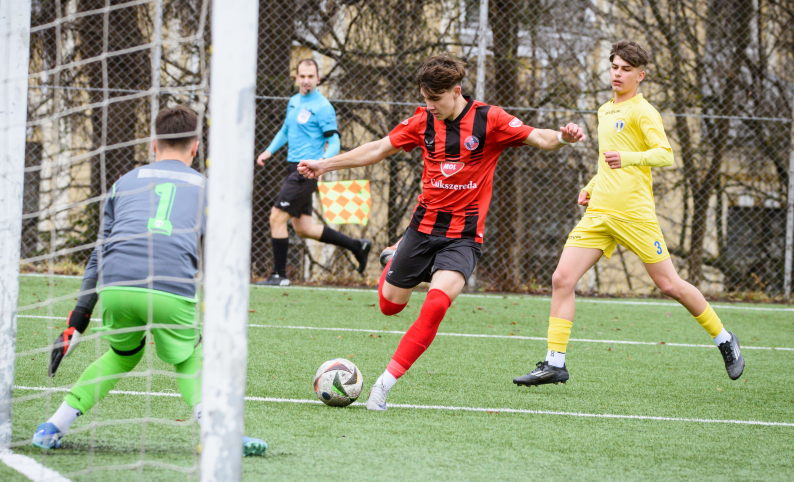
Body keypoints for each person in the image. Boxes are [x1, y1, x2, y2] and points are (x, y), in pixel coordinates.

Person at [298, 53, 585, 410]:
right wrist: (324, 164)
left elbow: (538, 137)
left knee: (435, 304)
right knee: (390, 307)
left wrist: (564, 137)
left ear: (456, 91)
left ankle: (383, 386)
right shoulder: (422, 121)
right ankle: (396, 256)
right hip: (421, 230)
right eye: (425, 98)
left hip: (463, 237)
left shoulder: (488, 119)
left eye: (435, 99)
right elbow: (378, 149)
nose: (429, 106)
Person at [32, 105, 267, 457]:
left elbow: (100, 252)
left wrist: (79, 317)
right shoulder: (207, 188)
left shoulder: (124, 182)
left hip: (115, 288)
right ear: (196, 148)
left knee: (123, 355)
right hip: (171, 289)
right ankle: (217, 432)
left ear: (154, 145)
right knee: (189, 357)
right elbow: (221, 256)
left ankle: (53, 425)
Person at [513, 40, 745, 387]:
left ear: (641, 75)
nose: (617, 74)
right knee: (562, 279)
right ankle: (554, 363)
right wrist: (591, 185)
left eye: (625, 69)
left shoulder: (643, 110)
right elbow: (609, 158)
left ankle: (725, 340)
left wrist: (630, 160)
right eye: (614, 67)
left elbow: (665, 154)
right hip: (600, 212)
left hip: (634, 214)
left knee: (669, 284)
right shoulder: (605, 110)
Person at [255, 58, 371, 286]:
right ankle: (358, 246)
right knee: (304, 228)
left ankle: (279, 276)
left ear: (318, 78)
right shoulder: (293, 101)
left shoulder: (323, 107)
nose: (306, 80)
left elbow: (334, 141)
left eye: (311, 76)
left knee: (276, 217)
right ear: (296, 78)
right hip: (292, 167)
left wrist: (323, 163)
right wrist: (269, 151)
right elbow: (286, 130)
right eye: (302, 76)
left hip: (306, 171)